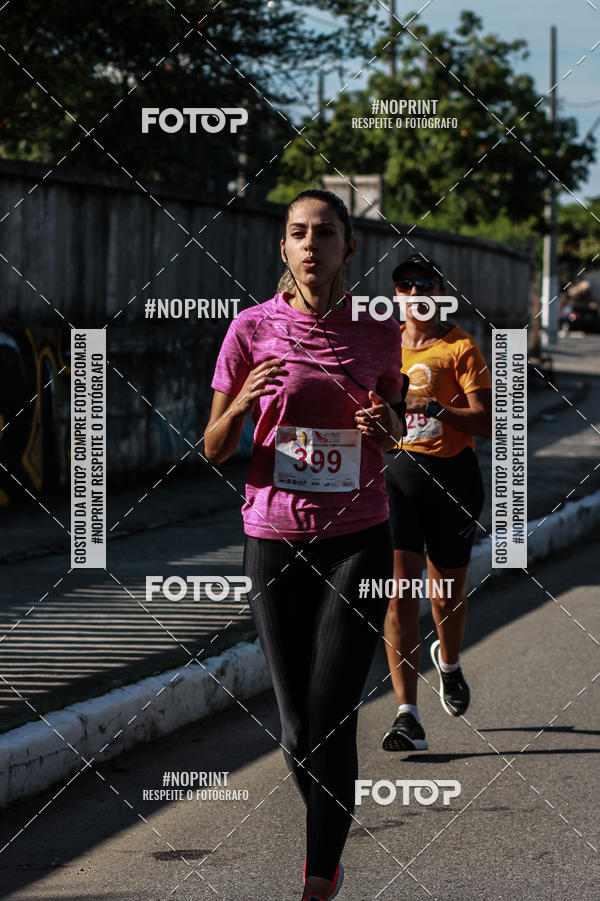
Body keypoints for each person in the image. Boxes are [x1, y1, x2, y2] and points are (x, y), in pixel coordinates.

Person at [204, 189, 407, 901]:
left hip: (359, 537)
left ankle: (317, 881)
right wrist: (239, 401)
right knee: (295, 728)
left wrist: (387, 427)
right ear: (283, 248)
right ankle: (333, 840)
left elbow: (397, 428)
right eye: (298, 232)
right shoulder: (251, 328)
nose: (311, 243)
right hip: (272, 538)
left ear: (351, 247)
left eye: (325, 232)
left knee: (332, 713)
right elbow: (212, 446)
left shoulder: (380, 331)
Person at [378, 253, 492, 753]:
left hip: (454, 480)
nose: (416, 292)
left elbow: (487, 423)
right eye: (406, 285)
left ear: (440, 291)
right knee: (399, 593)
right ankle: (407, 716)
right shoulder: (383, 347)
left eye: (426, 284)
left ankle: (448, 664)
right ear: (396, 295)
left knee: (445, 594)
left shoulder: (461, 347)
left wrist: (440, 409)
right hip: (398, 478)